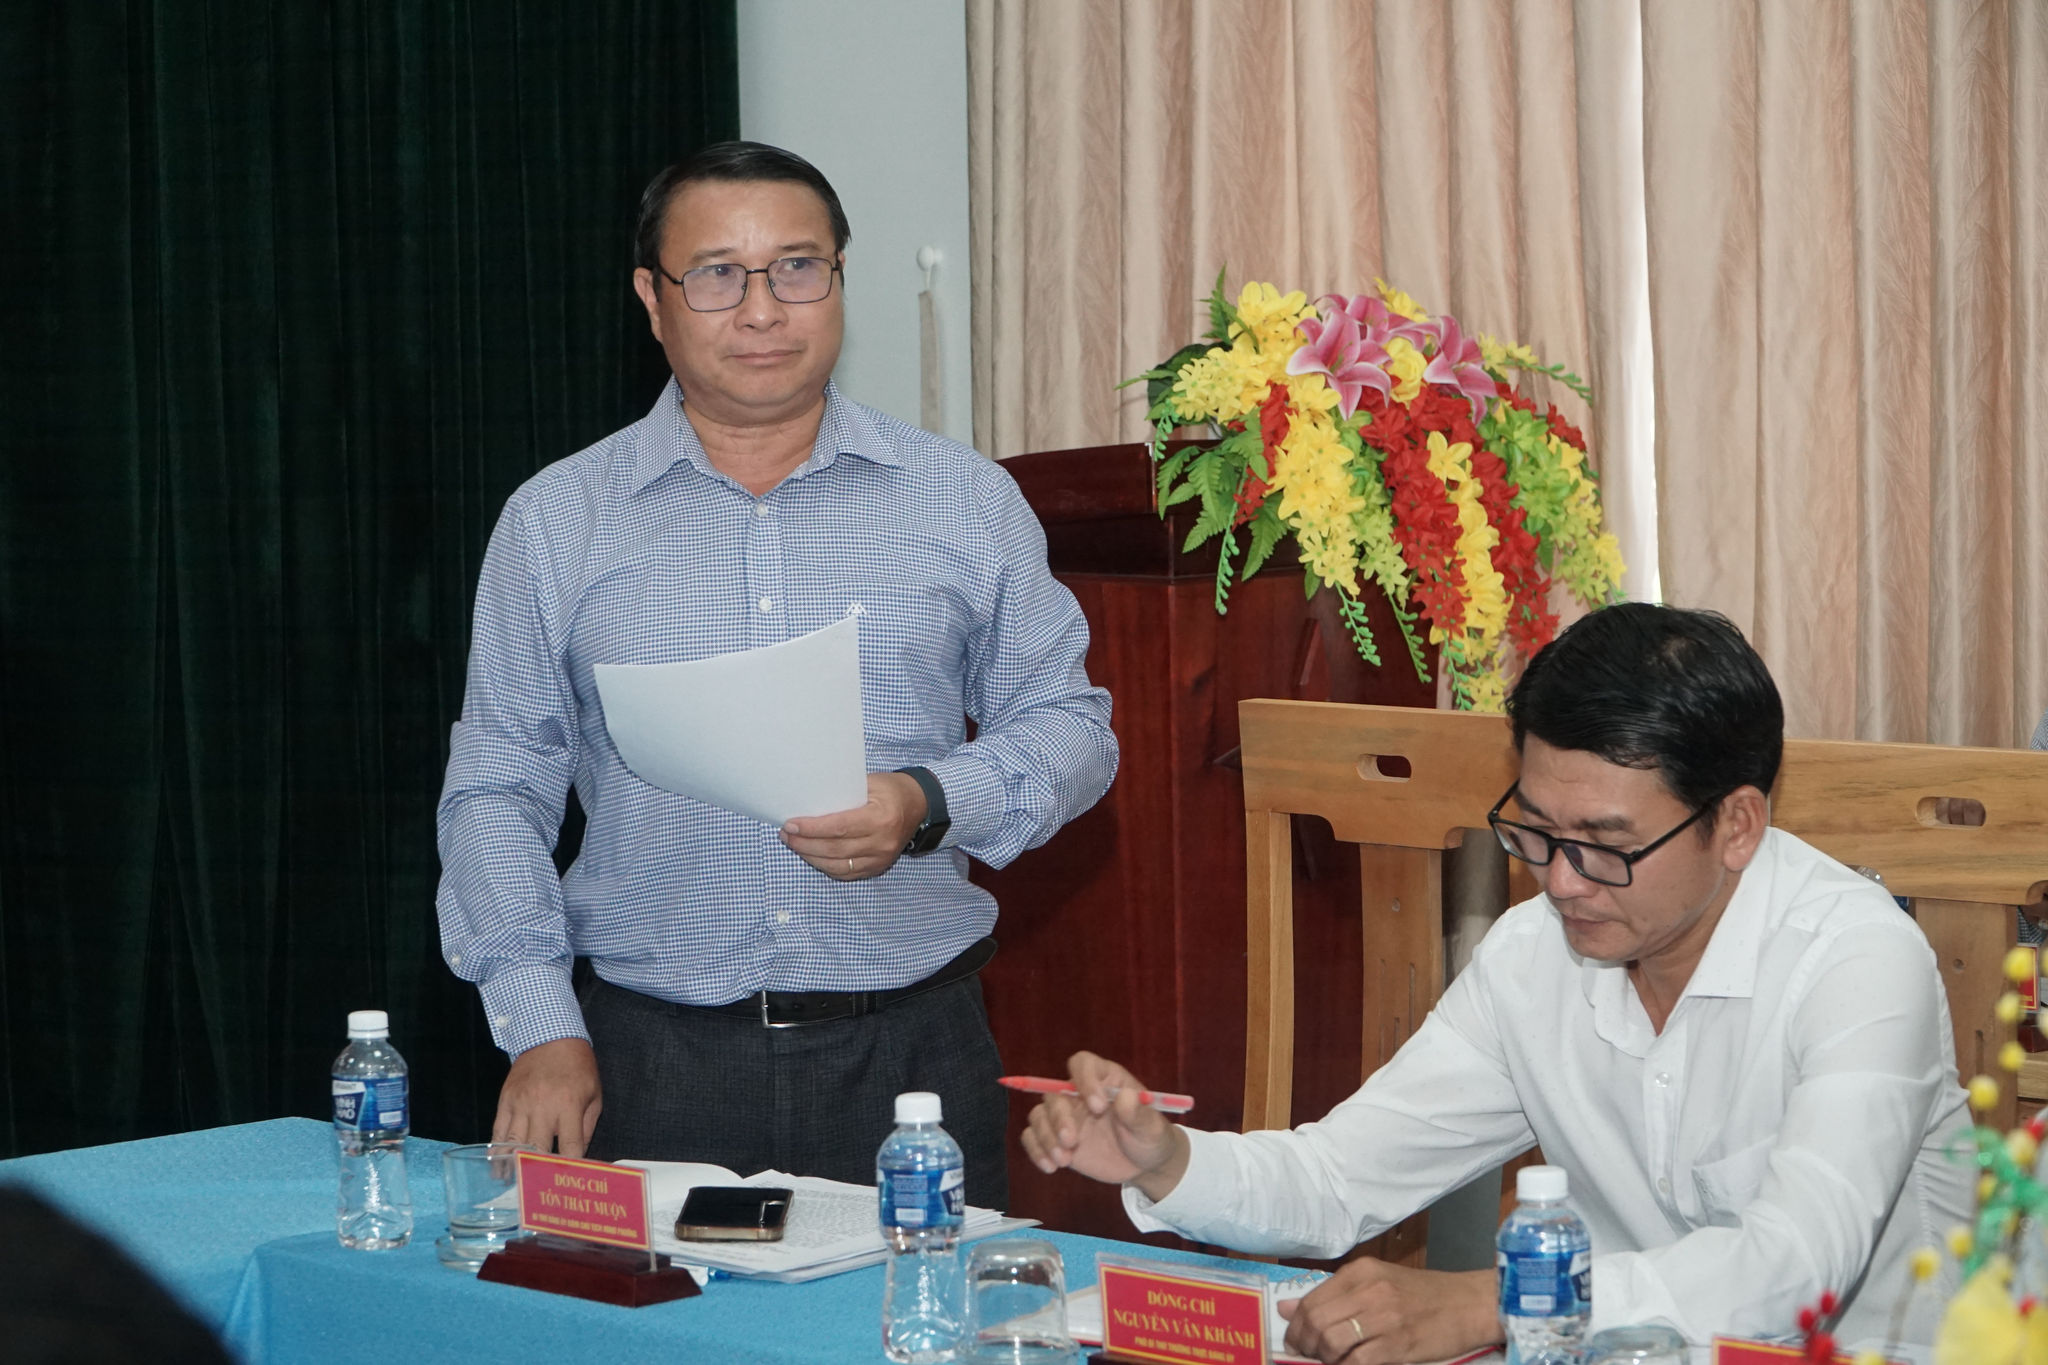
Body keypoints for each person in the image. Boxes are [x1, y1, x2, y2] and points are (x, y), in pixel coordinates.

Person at [437, 141, 1117, 1206]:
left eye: (797, 268)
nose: (761, 310)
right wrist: (540, 1025)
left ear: (840, 277)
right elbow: (495, 788)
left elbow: (1072, 726)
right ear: (652, 300)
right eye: (717, 274)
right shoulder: (556, 520)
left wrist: (925, 800)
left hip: (909, 1062)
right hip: (646, 1061)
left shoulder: (963, 500)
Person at [1023, 603, 1972, 1361]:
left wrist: (1495, 1301)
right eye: (1536, 831)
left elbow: (1794, 1270)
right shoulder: (1534, 956)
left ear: (1737, 825)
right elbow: (1340, 1175)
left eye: (1604, 844)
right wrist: (1166, 1160)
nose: (1560, 880)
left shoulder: (1857, 960)